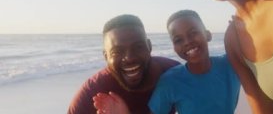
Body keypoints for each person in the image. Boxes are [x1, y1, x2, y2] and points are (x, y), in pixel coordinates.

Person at [93, 10, 241, 114]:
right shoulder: (171, 81)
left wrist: (241, 29)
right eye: (178, 40)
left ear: (207, 35)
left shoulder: (230, 64)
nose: (187, 42)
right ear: (174, 47)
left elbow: (255, 48)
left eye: (193, 33)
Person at [67, 14, 179, 114]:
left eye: (138, 47)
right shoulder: (94, 92)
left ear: (149, 47)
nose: (129, 58)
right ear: (106, 57)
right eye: (116, 52)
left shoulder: (174, 75)